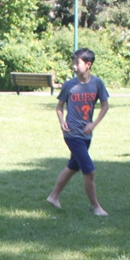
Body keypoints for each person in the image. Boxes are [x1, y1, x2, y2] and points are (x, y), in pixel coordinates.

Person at [46, 48, 109, 216]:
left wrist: (93, 124)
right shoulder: (69, 85)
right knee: (89, 171)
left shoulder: (97, 84)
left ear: (88, 65)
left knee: (73, 166)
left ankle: (53, 196)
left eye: (77, 63)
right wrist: (62, 122)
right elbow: (59, 107)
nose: (74, 66)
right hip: (72, 134)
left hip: (86, 134)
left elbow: (105, 105)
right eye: (73, 63)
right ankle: (96, 207)